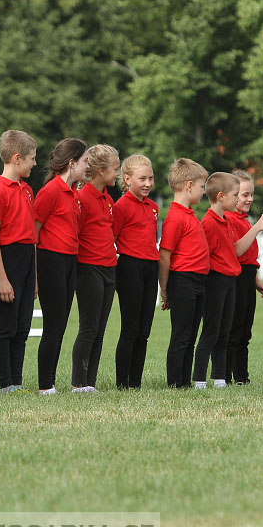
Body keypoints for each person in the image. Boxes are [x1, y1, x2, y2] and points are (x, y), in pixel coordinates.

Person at [0, 130, 38, 393]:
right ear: (17, 158)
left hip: (27, 259)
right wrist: (2, 279)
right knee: (6, 325)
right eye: (32, 158)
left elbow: (32, 238)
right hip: (7, 261)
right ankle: (5, 384)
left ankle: (17, 382)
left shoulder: (27, 190)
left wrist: (34, 277)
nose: (35, 164)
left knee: (22, 326)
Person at [34, 138, 88, 395]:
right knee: (53, 325)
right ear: (72, 163)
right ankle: (45, 384)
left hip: (70, 261)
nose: (87, 166)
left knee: (62, 324)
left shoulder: (74, 192)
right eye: (85, 161)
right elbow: (35, 232)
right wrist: (34, 274)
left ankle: (51, 382)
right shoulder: (50, 191)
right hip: (50, 261)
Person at [71, 144, 120, 393]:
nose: (118, 174)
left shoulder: (108, 199)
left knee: (100, 329)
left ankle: (90, 382)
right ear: (100, 171)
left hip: (108, 269)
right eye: (115, 169)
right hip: (89, 268)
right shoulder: (81, 198)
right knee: (89, 327)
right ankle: (79, 382)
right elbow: (75, 235)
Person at [159, 158, 209, 388]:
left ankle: (184, 382)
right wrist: (165, 289)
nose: (203, 192)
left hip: (198, 281)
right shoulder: (175, 216)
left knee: (190, 335)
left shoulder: (190, 215)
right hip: (183, 281)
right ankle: (174, 383)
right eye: (201, 187)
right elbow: (165, 254)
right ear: (189, 186)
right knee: (181, 335)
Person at [112, 154, 160, 389]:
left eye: (151, 178)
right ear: (127, 179)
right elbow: (111, 237)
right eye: (142, 178)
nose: (148, 183)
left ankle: (136, 383)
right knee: (130, 327)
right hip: (129, 266)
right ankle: (123, 382)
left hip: (151, 267)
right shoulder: (120, 206)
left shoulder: (153, 208)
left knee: (144, 329)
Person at [224, 171, 263, 385]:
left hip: (246, 278)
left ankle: (242, 377)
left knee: (245, 331)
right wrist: (256, 229)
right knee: (232, 330)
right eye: (244, 195)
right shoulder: (228, 219)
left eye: (251, 194)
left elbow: (248, 258)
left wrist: (256, 282)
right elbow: (234, 252)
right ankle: (223, 376)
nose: (249, 199)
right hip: (232, 280)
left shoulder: (245, 220)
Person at [192, 172, 241, 389]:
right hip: (215, 281)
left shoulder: (226, 221)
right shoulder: (209, 223)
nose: (238, 200)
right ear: (221, 196)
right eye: (235, 195)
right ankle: (199, 379)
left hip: (230, 281)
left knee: (224, 330)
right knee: (211, 330)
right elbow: (205, 256)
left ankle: (219, 377)